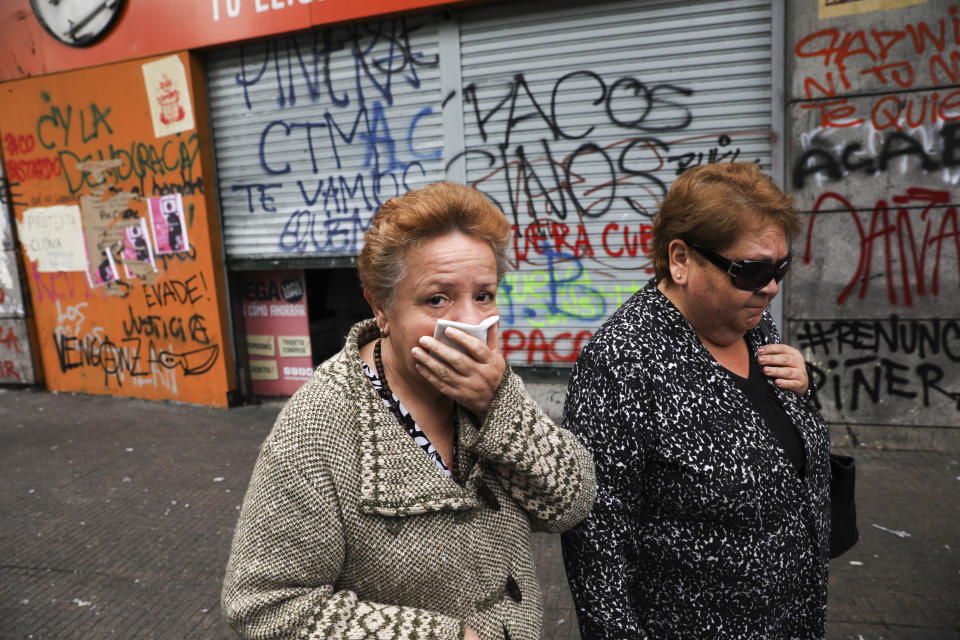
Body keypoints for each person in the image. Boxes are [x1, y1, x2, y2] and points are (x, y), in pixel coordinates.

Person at [222, 181, 596, 640]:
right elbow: (264, 605)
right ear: (381, 308)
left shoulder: (490, 386)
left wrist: (497, 406)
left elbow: (570, 505)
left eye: (484, 295)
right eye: (437, 298)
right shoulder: (319, 425)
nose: (471, 324)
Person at [561, 162, 830, 639]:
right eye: (750, 270)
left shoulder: (752, 322)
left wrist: (808, 390)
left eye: (780, 268)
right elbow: (597, 543)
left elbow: (776, 437)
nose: (770, 287)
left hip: (792, 617)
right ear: (681, 259)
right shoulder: (622, 362)